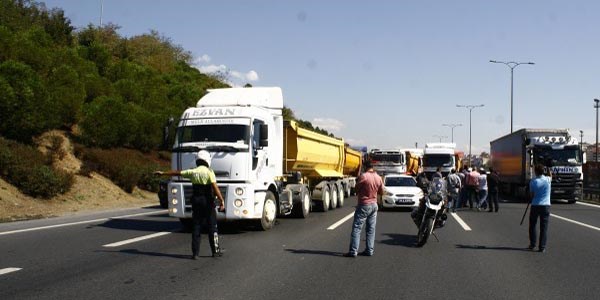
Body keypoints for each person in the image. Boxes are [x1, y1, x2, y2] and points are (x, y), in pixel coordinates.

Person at [154, 150, 225, 259]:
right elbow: (215, 188)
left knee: (196, 226)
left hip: (196, 201)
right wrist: (221, 200)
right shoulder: (209, 171)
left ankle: (195, 253)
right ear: (207, 160)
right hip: (207, 202)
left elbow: (177, 172)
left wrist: (163, 173)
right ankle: (215, 251)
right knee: (212, 226)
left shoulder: (193, 171)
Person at [344, 161, 383, 257]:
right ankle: (369, 250)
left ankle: (353, 251)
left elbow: (356, 190)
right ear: (372, 167)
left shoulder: (364, 177)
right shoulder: (378, 178)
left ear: (365, 167)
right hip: (374, 205)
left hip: (364, 205)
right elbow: (381, 191)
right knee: (371, 229)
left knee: (357, 228)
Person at [528, 164, 552, 253]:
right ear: (543, 171)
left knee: (532, 225)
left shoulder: (533, 181)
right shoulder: (548, 180)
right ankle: (542, 247)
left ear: (535, 172)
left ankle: (532, 244)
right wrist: (549, 168)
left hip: (535, 205)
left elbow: (531, 195)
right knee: (544, 227)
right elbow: (550, 175)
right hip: (545, 206)